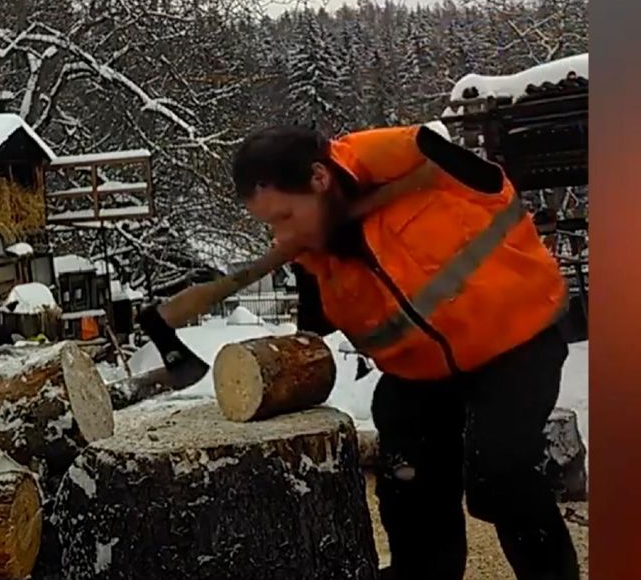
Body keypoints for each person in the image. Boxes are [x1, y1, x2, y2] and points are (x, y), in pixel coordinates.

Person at [231, 124, 578, 580]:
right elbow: (310, 333)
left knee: (499, 472)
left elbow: (488, 180)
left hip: (518, 340)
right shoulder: (314, 254)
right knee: (409, 476)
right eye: (270, 224)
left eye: (285, 216)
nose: (280, 235)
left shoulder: (418, 163)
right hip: (422, 371)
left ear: (319, 178)